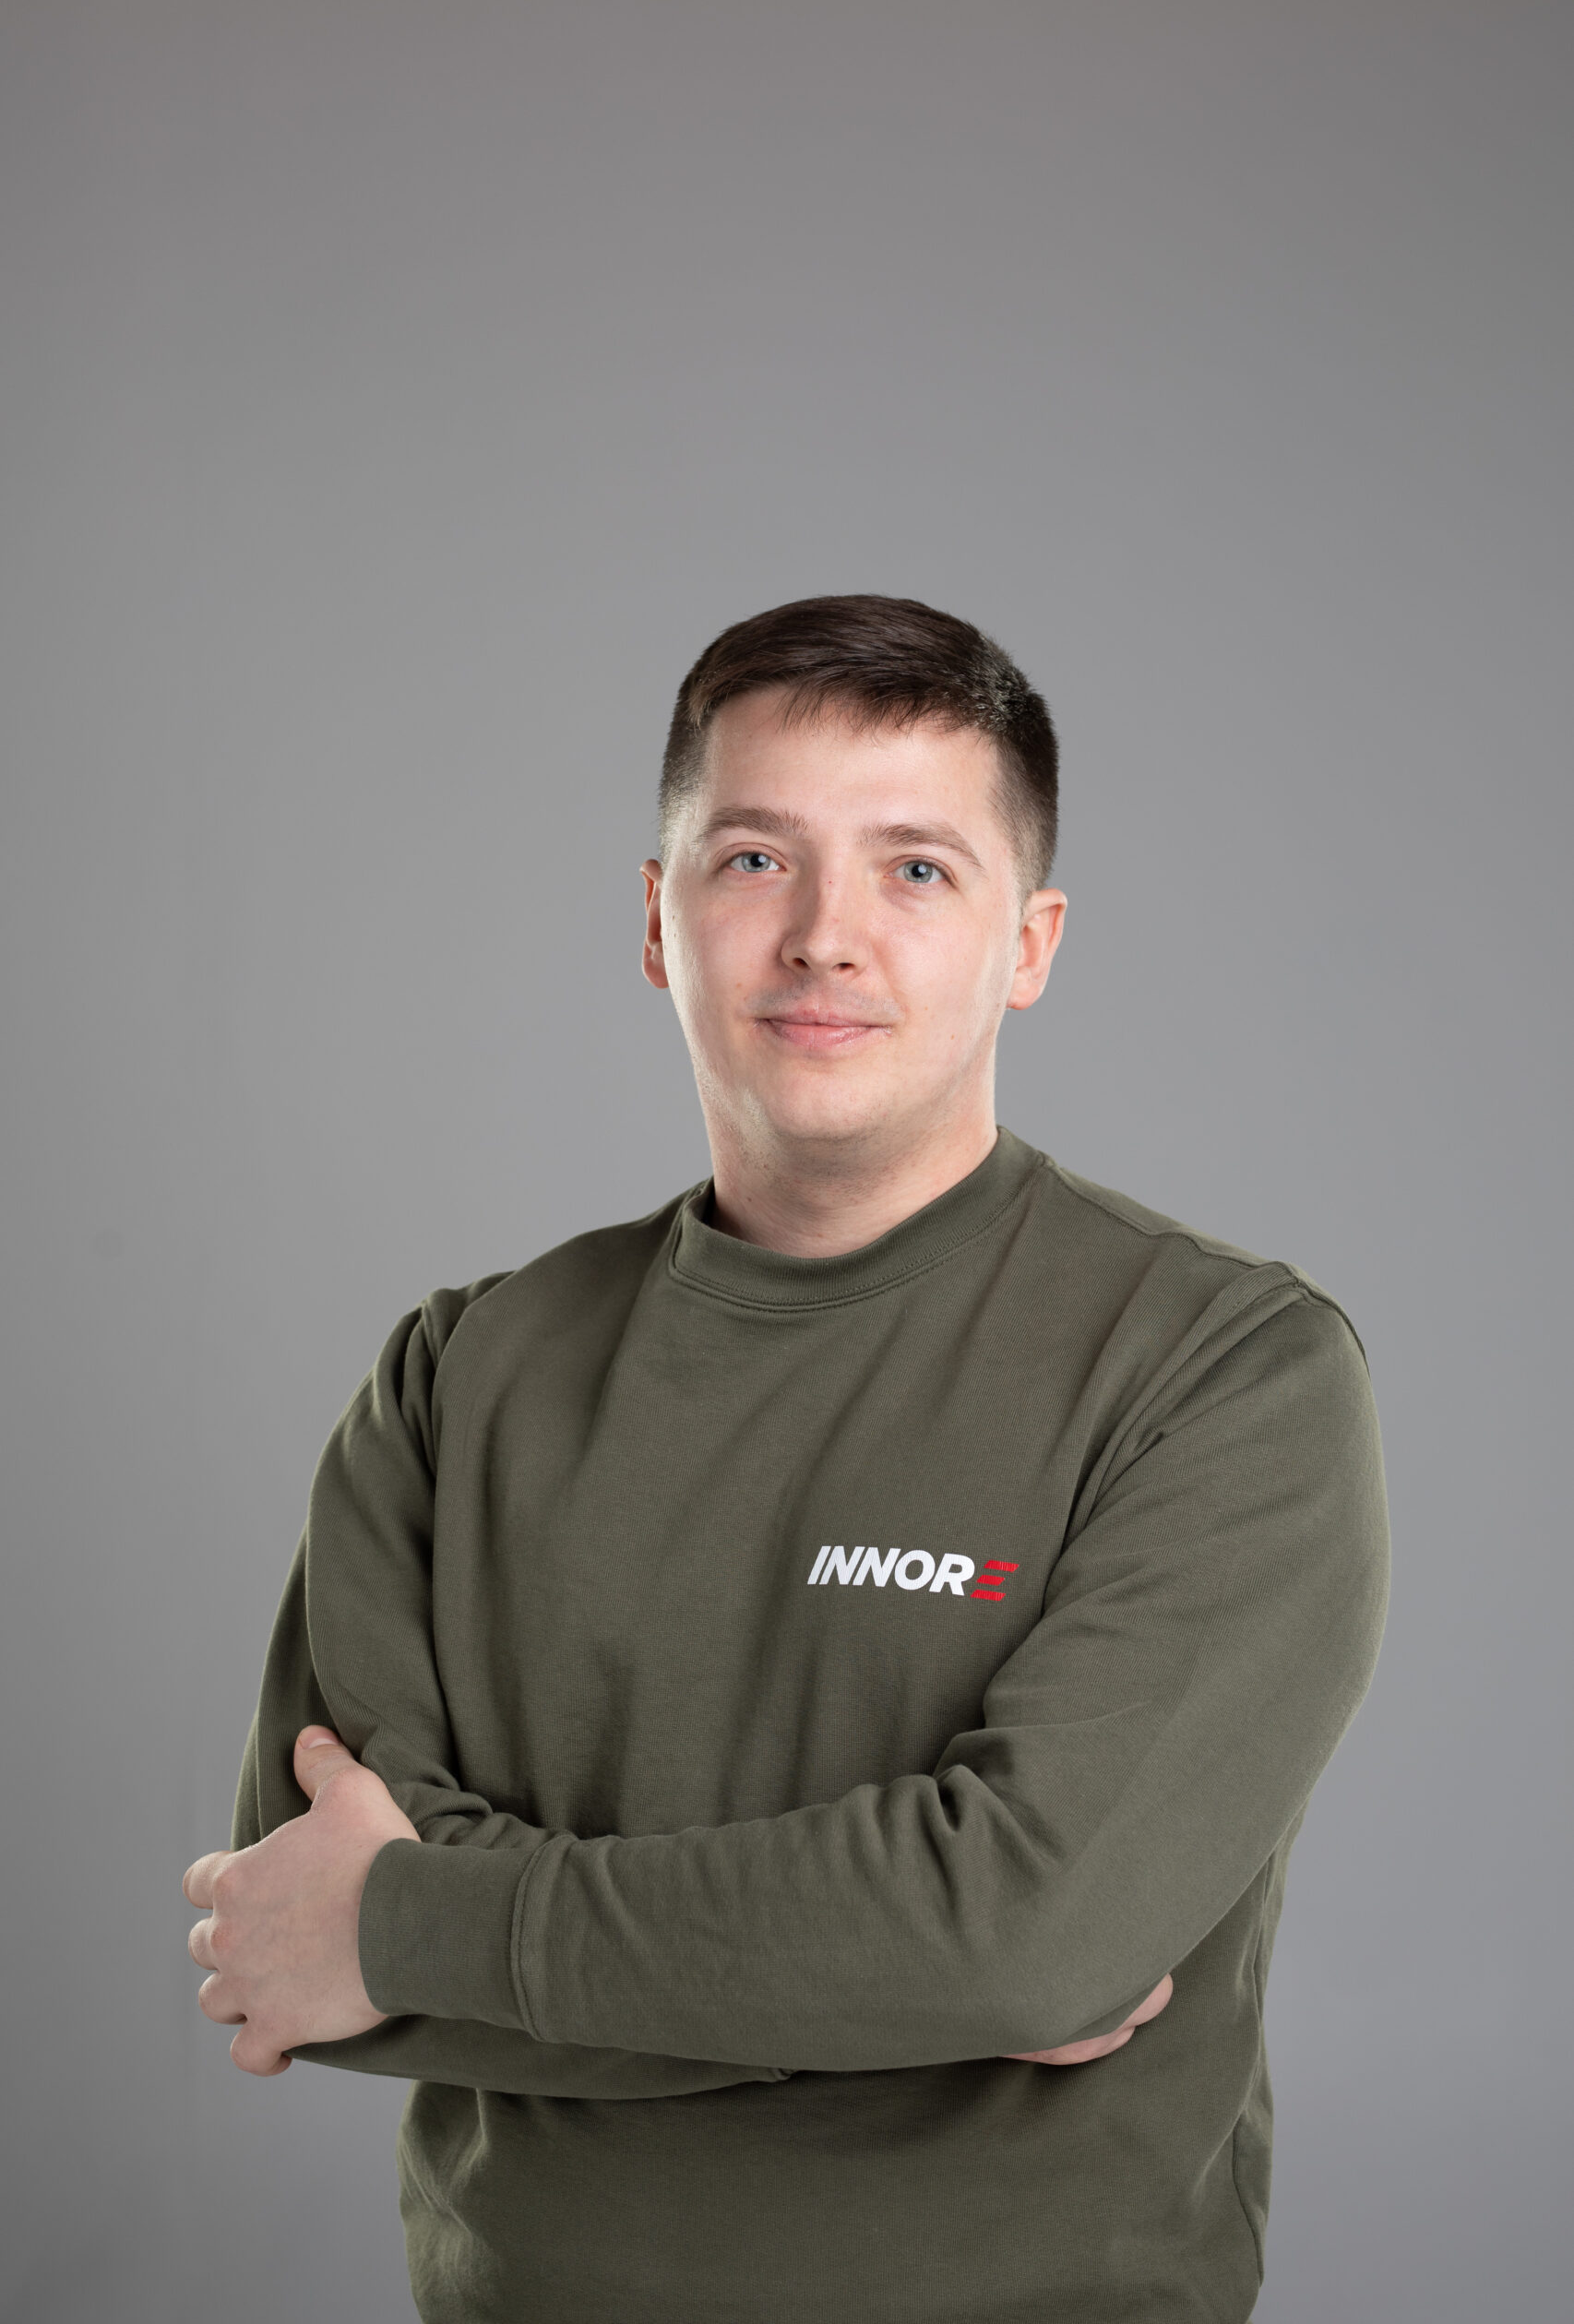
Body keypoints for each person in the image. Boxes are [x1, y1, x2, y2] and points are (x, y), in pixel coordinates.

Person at [183, 593, 1389, 2323]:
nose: (825, 937)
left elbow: (1020, 1933)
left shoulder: (1222, 1370)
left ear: (1027, 943)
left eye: (916, 870)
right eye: (754, 859)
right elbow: (294, 1924)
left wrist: (416, 1926)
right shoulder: (461, 1372)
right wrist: (922, 1986)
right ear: (657, 922)